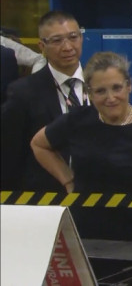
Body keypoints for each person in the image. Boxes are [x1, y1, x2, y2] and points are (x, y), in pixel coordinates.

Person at [30, 52, 132, 243]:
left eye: (117, 88)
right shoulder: (77, 120)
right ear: (89, 93)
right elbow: (39, 144)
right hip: (82, 232)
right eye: (100, 91)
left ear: (129, 86)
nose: (110, 98)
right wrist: (67, 180)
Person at [1, 11, 87, 192]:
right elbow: (9, 155)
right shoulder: (23, 92)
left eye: (73, 37)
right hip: (44, 199)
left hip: (98, 196)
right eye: (57, 41)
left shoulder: (101, 85)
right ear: (42, 46)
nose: (67, 47)